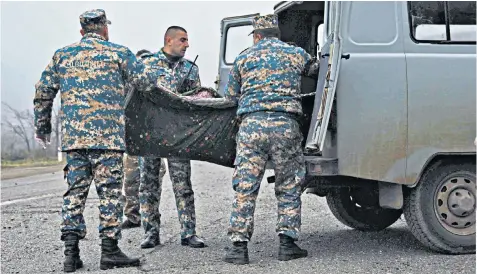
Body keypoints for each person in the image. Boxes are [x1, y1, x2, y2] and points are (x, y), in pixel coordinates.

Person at [33, 9, 154, 272]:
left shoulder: (62, 55)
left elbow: (43, 91)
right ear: (105, 29)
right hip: (108, 139)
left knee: (74, 194)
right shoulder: (118, 53)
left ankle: (70, 255)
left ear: (82, 31)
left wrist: (42, 128)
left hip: (75, 140)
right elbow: (146, 82)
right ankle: (109, 252)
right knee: (109, 194)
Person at [222, 14, 320, 265]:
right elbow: (317, 70)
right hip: (284, 126)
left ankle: (238, 248)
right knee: (288, 185)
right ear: (276, 33)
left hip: (251, 126)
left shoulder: (244, 57)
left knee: (246, 187)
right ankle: (287, 244)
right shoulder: (294, 53)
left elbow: (231, 97)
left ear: (256, 35)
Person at [137, 26, 205, 249]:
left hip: (177, 135)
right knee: (148, 185)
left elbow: (197, 100)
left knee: (183, 184)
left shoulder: (190, 69)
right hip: (150, 134)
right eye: (182, 40)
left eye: (187, 40)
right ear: (168, 40)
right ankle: (150, 233)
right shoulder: (146, 65)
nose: (187, 45)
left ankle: (189, 232)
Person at [120, 49, 167, 230]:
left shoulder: (155, 83)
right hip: (132, 139)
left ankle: (151, 213)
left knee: (153, 180)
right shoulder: (128, 82)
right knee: (131, 180)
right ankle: (133, 216)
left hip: (153, 139)